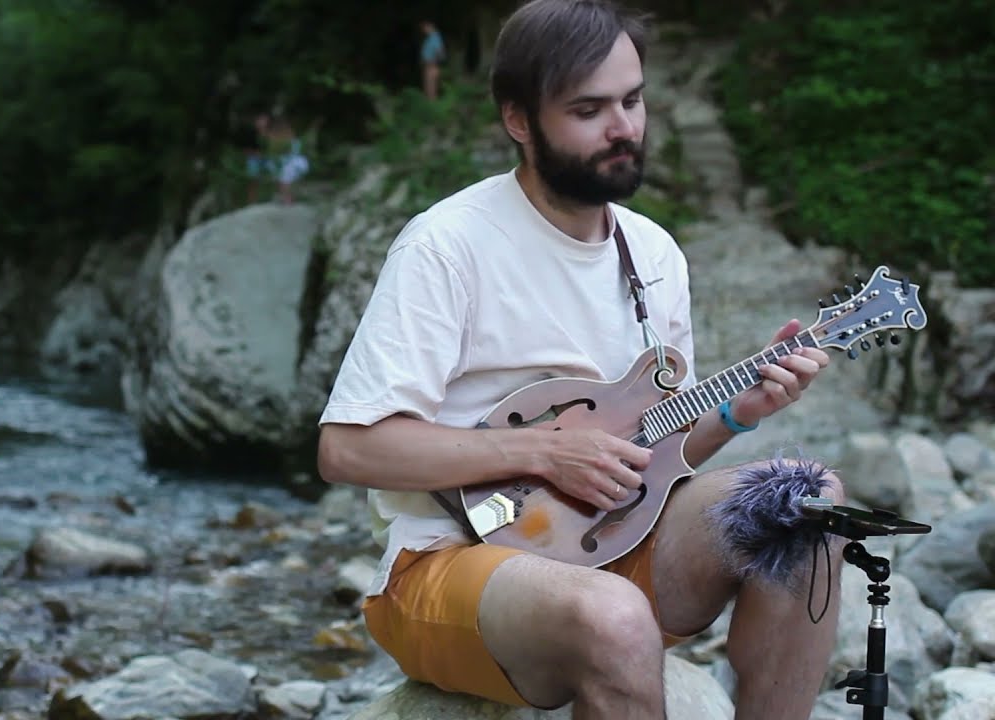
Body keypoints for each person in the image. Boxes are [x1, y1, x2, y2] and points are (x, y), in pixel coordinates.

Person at [317, 1, 843, 718]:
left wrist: (736, 411)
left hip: (610, 545)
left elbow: (650, 453)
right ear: (519, 120)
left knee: (806, 504)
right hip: (443, 565)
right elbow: (348, 449)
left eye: (632, 100)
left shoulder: (654, 253)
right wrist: (544, 454)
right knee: (615, 615)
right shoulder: (447, 245)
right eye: (588, 109)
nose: (623, 126)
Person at [263, 114, 309, 204]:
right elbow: (296, 149)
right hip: (295, 162)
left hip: (285, 162)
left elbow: (274, 151)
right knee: (290, 182)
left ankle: (287, 199)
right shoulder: (292, 138)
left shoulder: (276, 139)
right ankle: (290, 198)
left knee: (284, 182)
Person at [419, 20, 446, 100]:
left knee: (431, 89)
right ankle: (430, 106)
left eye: (425, 28)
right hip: (427, 66)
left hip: (432, 66)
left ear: (430, 26)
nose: (424, 30)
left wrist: (435, 62)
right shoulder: (429, 38)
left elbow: (440, 52)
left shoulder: (435, 37)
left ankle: (433, 107)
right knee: (428, 89)